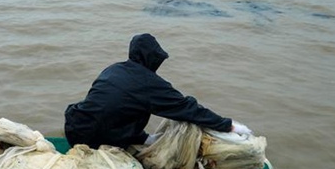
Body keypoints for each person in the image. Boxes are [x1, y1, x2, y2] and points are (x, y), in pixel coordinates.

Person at [64, 33, 252, 149]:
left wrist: (144, 138)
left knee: (123, 104)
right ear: (152, 58)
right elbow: (187, 108)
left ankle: (142, 138)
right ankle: (134, 140)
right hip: (95, 141)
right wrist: (228, 126)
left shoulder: (114, 69)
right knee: (138, 106)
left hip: (75, 128)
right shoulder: (148, 83)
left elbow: (109, 107)